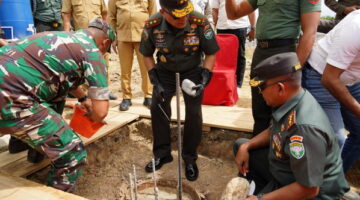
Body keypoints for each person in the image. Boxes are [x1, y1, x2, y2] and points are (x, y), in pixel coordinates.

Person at [0, 18, 115, 192]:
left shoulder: (61, 38)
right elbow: (100, 112)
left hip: (9, 86)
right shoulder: (93, 53)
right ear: (105, 43)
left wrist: (83, 99)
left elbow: (67, 77)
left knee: (55, 98)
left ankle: (33, 149)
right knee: (72, 153)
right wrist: (90, 115)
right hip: (12, 99)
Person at [234, 52, 349, 200]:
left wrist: (261, 199)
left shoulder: (304, 128)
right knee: (241, 145)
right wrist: (247, 146)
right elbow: (276, 130)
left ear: (280, 88)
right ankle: (262, 188)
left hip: (312, 193)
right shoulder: (293, 99)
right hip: (289, 171)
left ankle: (263, 192)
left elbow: (309, 189)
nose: (260, 93)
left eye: (262, 87)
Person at [140, 0, 219, 181]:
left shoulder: (198, 21)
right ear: (163, 12)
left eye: (185, 13)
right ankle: (162, 153)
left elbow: (211, 52)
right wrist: (155, 80)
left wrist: (205, 76)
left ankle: (190, 158)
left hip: (192, 70)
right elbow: (146, 53)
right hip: (165, 71)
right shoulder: (153, 24)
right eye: (177, 16)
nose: (183, 18)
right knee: (157, 107)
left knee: (193, 112)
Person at [225, 0, 321, 135]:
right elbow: (233, 14)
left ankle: (279, 154)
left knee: (283, 115)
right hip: (261, 53)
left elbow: (310, 32)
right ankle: (258, 154)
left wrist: (294, 68)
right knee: (260, 113)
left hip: (284, 52)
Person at [62, 0, 117, 100]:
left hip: (100, 38)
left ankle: (104, 90)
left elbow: (105, 14)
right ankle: (84, 93)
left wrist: (108, 34)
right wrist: (67, 36)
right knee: (82, 67)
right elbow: (66, 17)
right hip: (82, 39)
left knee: (103, 64)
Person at [108, 0, 156, 111]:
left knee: (146, 68)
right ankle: (126, 97)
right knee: (125, 70)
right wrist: (113, 37)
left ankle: (148, 96)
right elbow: (111, 17)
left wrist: (152, 37)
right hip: (123, 37)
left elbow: (153, 15)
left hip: (143, 37)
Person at [211, 0, 256, 88]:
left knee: (239, 56)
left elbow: (251, 10)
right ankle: (225, 83)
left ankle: (237, 85)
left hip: (240, 27)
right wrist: (214, 27)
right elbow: (215, 10)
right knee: (223, 57)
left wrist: (253, 27)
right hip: (222, 27)